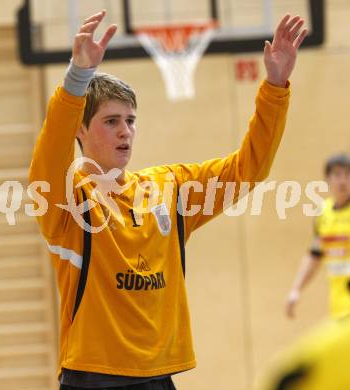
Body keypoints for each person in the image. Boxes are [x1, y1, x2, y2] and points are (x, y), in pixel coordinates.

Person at [29, 10, 307, 390]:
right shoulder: (66, 200)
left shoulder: (169, 188)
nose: (126, 131)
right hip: (92, 376)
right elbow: (49, 154)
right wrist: (77, 80)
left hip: (159, 377)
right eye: (111, 121)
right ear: (80, 128)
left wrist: (275, 86)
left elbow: (248, 170)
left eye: (131, 120)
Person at [286, 154, 350, 320]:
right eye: (337, 175)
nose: (343, 181)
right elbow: (314, 255)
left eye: (348, 175)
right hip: (338, 305)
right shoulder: (323, 213)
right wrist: (296, 289)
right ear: (328, 180)